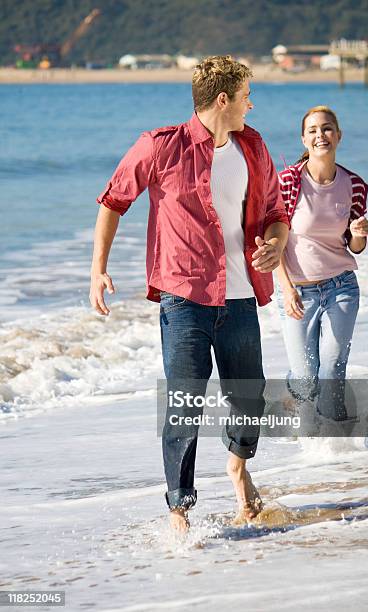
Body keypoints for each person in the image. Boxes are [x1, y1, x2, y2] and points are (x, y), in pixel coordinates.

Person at [89, 55, 289, 532]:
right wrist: (97, 270)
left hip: (240, 296)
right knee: (185, 404)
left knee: (250, 398)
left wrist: (276, 244)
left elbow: (275, 212)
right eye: (245, 96)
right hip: (184, 299)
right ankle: (179, 510)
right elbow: (114, 201)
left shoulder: (253, 146)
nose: (250, 104)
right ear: (223, 99)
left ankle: (238, 467)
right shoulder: (159, 146)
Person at [276, 106, 368, 423]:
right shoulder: (287, 182)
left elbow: (354, 246)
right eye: (313, 130)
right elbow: (274, 241)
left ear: (338, 136)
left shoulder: (354, 185)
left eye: (327, 129)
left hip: (341, 286)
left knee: (332, 368)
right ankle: (298, 402)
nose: (321, 135)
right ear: (304, 139)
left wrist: (359, 234)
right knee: (306, 377)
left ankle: (335, 441)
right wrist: (286, 290)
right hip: (298, 293)